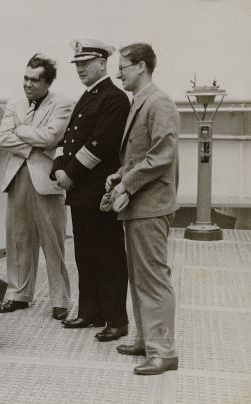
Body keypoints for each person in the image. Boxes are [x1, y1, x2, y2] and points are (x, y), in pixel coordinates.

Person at [106, 42, 180, 375]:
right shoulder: (141, 102)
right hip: (139, 205)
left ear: (140, 67)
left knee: (153, 278)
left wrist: (126, 183)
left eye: (122, 67)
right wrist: (120, 174)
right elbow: (141, 154)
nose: (118, 72)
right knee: (139, 277)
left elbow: (162, 155)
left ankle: (164, 351)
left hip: (151, 205)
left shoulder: (159, 102)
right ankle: (147, 340)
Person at [50, 39, 129, 341]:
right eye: (77, 64)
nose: (80, 68)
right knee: (85, 254)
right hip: (80, 191)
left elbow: (100, 142)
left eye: (86, 63)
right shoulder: (88, 96)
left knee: (107, 255)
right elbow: (67, 138)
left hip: (98, 191)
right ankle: (90, 311)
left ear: (102, 63)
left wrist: (69, 174)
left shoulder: (114, 98)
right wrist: (57, 168)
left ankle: (117, 320)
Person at [0, 53, 72, 320]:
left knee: (53, 240)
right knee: (17, 238)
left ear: (47, 82)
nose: (28, 84)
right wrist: (35, 144)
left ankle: (60, 300)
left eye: (34, 80)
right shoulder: (14, 103)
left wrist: (21, 131)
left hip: (47, 179)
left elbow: (53, 136)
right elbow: (2, 139)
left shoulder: (62, 104)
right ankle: (18, 294)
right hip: (18, 177)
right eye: (25, 78)